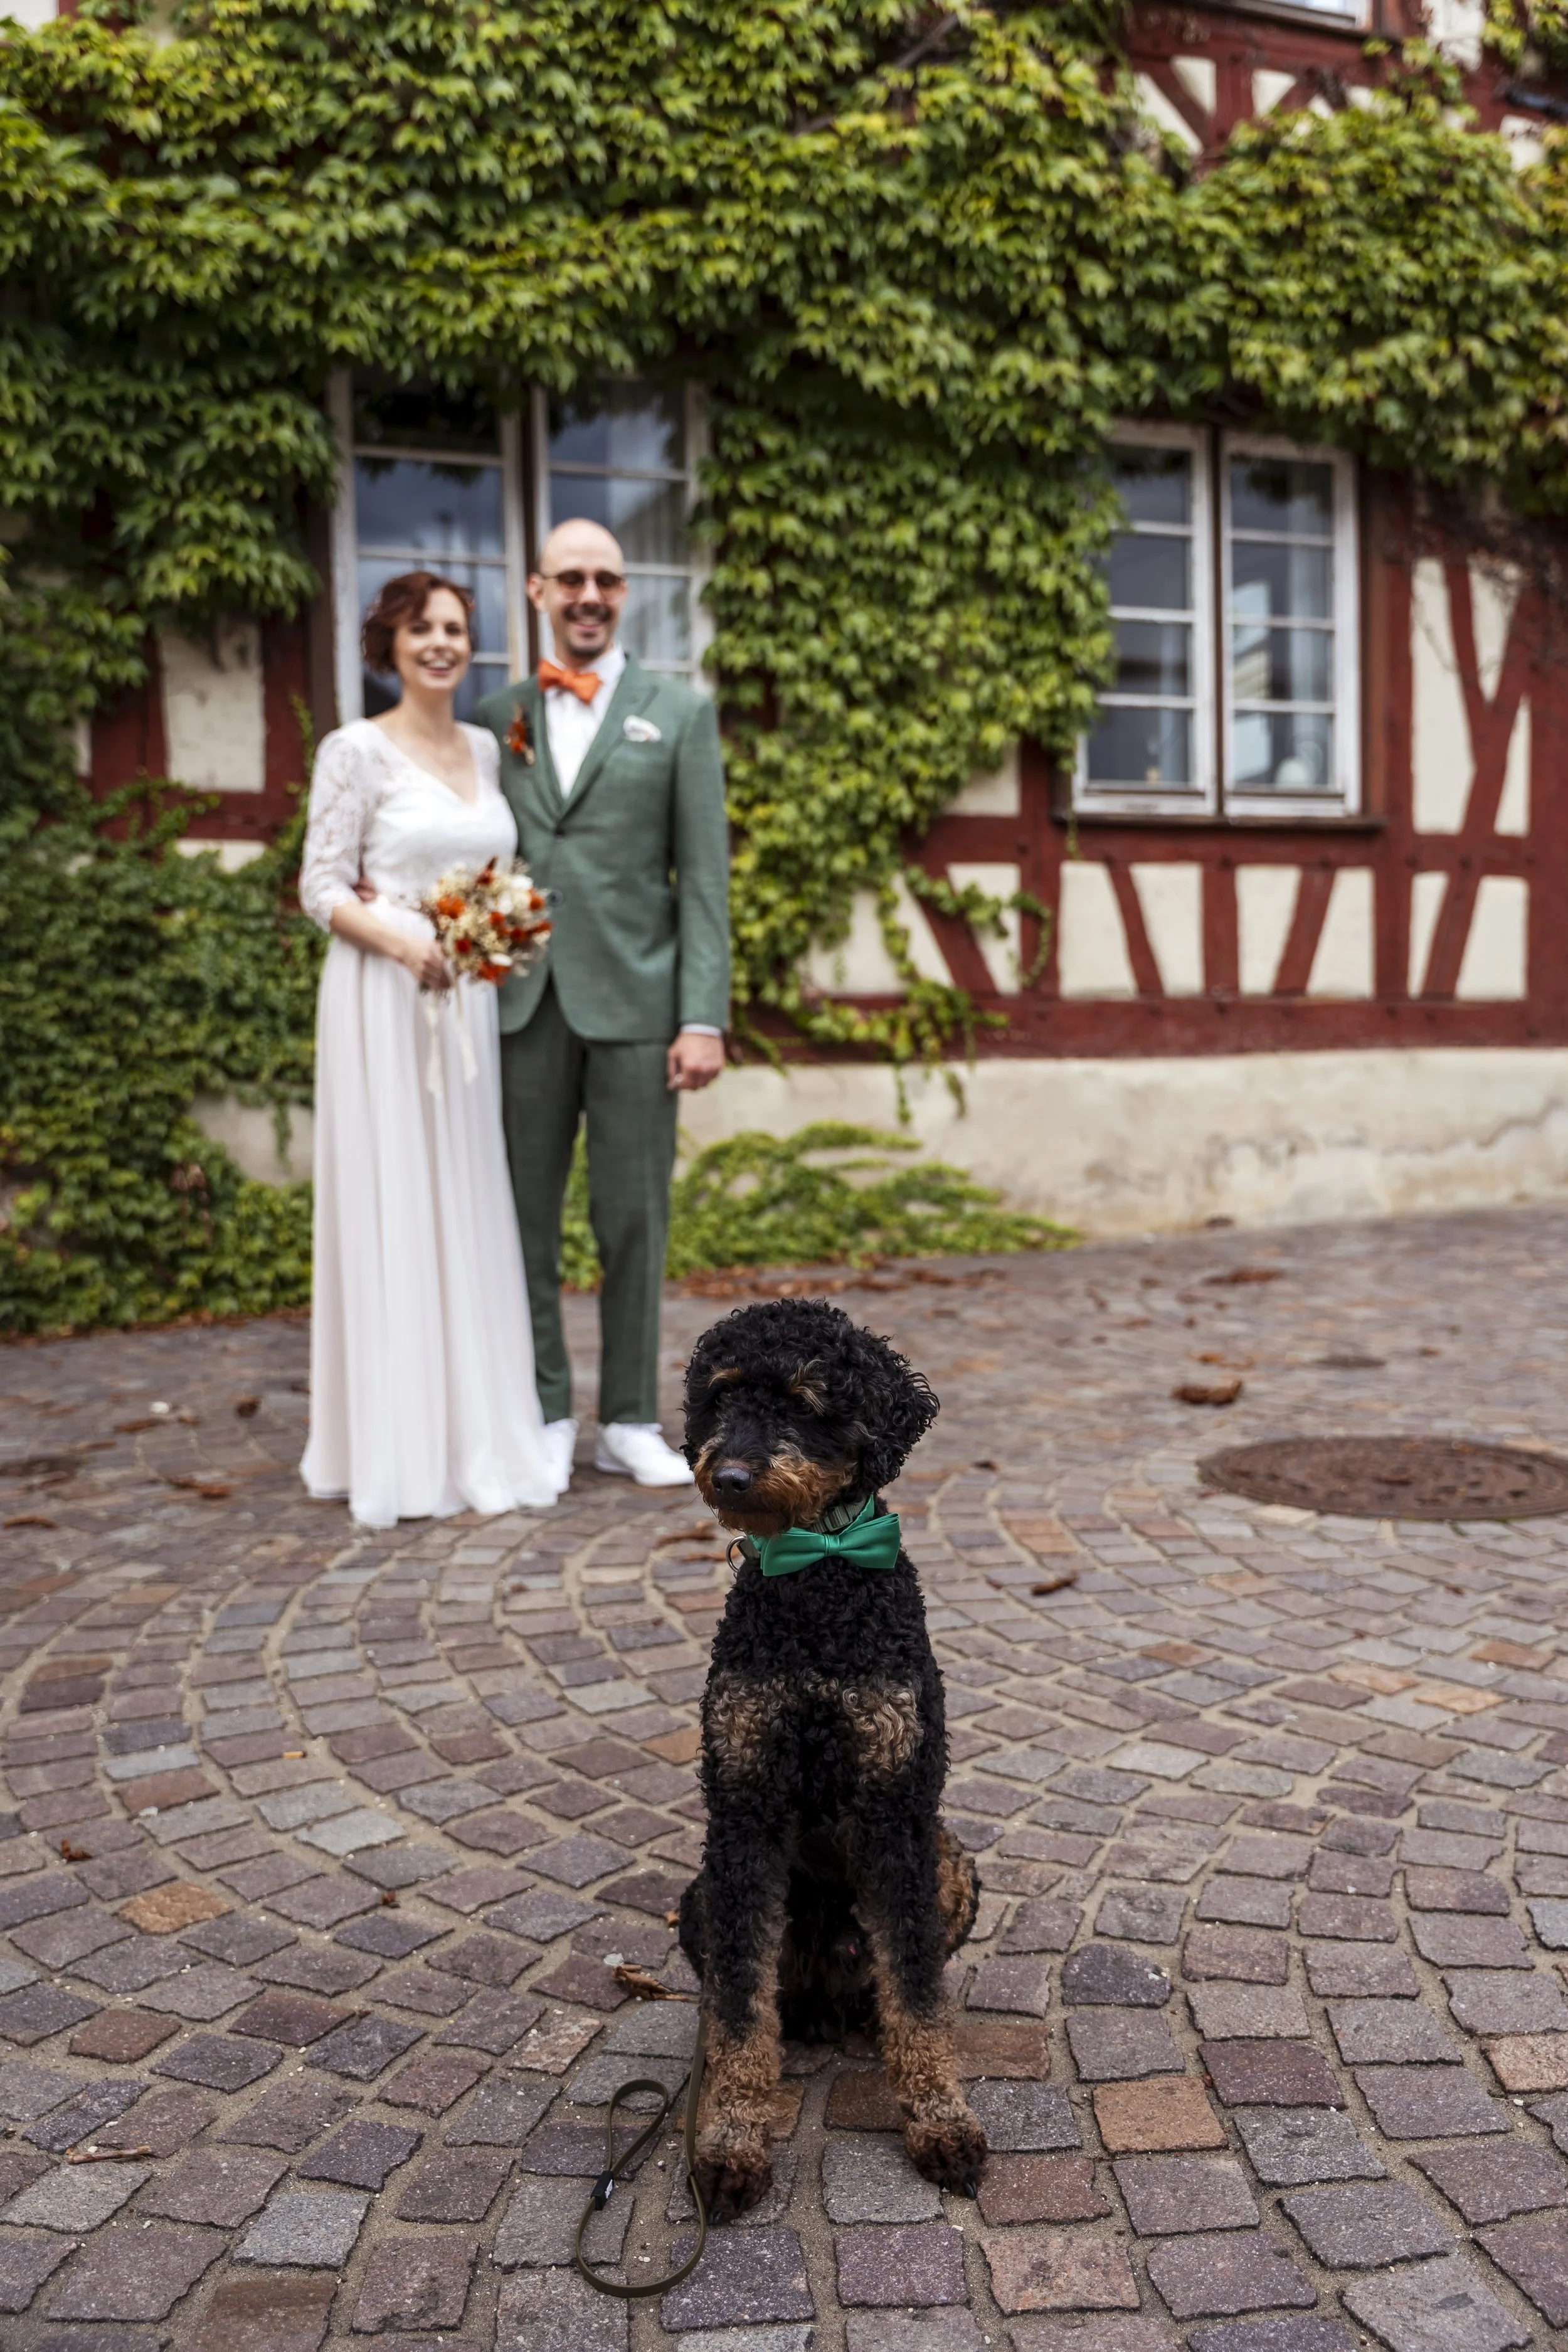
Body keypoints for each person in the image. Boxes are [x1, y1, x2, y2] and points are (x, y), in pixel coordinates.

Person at [297, 570, 563, 1528]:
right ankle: (397, 1447)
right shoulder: (354, 749)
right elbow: (320, 886)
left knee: (465, 1196)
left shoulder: (488, 748)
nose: (442, 643)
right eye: (422, 629)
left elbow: (495, 869)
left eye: (455, 627)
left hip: (466, 1000)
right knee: (396, 1196)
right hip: (384, 992)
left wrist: (494, 928)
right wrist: (403, 939)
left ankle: (475, 1430)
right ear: (390, 645)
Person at [475, 517, 730, 1491]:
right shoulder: (497, 714)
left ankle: (628, 1418)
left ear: (625, 593)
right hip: (521, 1004)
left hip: (638, 1004)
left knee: (633, 1219)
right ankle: (544, 1412)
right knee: (522, 1221)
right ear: (537, 590)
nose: (590, 595)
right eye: (572, 578)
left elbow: (704, 878)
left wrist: (701, 1016)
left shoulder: (681, 713)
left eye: (608, 580)